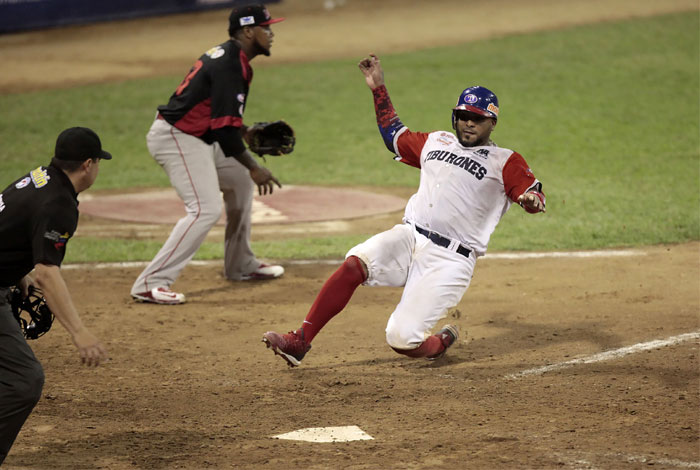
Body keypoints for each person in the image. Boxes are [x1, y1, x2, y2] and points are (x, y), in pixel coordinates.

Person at [262, 53, 546, 367]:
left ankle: (439, 343)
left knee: (401, 338)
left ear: (491, 123)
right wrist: (378, 89)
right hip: (409, 236)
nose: (469, 122)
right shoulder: (436, 141)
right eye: (463, 115)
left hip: (450, 260)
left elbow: (530, 193)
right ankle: (300, 341)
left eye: (477, 118)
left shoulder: (505, 160)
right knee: (355, 264)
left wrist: (531, 201)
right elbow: (393, 136)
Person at [131, 3, 287, 305]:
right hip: (177, 138)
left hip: (197, 136)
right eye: (266, 28)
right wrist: (256, 166)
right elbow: (224, 133)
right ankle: (150, 283)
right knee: (205, 209)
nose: (271, 33)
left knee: (239, 180)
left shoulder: (233, 58)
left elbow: (219, 120)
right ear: (248, 31)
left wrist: (244, 133)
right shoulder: (231, 65)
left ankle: (240, 264)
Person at [0, 127, 110, 464]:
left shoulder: (38, 178)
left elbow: (8, 228)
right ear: (88, 164)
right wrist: (81, 334)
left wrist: (19, 273)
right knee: (23, 381)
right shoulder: (59, 203)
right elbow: (48, 272)